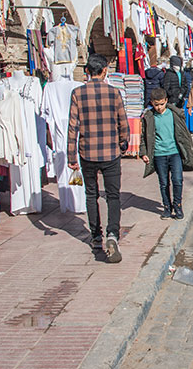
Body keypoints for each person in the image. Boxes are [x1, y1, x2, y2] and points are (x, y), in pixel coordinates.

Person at [67, 54, 129, 263]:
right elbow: (123, 122)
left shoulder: (77, 93)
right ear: (104, 72)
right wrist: (123, 143)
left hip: (87, 153)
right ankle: (112, 234)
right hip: (110, 153)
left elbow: (72, 127)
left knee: (91, 194)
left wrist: (71, 156)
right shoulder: (114, 93)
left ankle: (95, 236)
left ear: (87, 72)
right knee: (113, 195)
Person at [139, 88, 193, 220]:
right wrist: (143, 152)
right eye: (156, 104)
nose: (159, 107)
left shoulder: (174, 114)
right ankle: (167, 207)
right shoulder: (149, 117)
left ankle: (177, 205)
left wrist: (188, 148)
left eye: (161, 104)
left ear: (166, 101)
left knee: (177, 180)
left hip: (174, 152)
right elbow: (144, 136)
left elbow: (183, 133)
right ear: (152, 103)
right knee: (164, 182)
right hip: (159, 154)